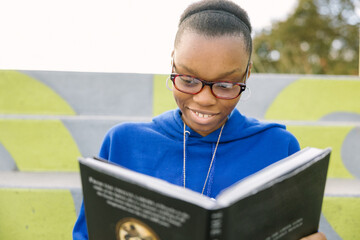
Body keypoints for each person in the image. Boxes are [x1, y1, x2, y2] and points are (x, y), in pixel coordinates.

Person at [73, 0, 327, 239]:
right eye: (188, 80)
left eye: (226, 85)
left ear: (247, 73)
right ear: (173, 64)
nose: (204, 99)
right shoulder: (124, 143)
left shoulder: (278, 147)